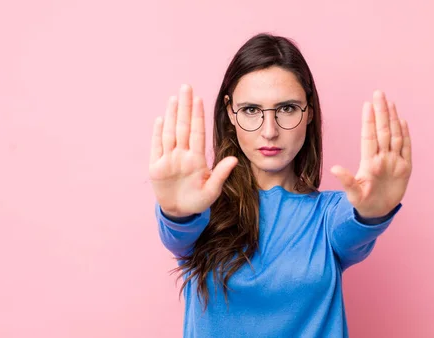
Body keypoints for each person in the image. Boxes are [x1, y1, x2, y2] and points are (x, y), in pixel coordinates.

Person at [149, 33, 412, 337]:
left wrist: (374, 213)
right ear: (230, 112)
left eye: (286, 108)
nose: (270, 131)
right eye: (251, 110)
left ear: (309, 111)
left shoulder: (329, 216)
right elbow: (178, 236)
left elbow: (353, 226)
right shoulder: (201, 206)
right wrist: (177, 213)